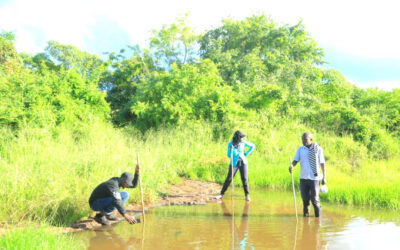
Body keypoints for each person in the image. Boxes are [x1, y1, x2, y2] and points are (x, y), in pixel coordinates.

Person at [289, 132, 326, 217]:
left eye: (305, 139)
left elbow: (322, 164)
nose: (303, 141)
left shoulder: (318, 149)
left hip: (314, 179)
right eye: (302, 139)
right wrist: (291, 165)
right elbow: (295, 160)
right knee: (305, 200)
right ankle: (306, 218)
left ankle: (318, 219)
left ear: (311, 139)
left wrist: (324, 177)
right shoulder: (300, 149)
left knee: (315, 200)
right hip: (303, 178)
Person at [216, 130, 255, 201]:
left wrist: (246, 154)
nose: (242, 139)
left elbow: (253, 146)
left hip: (243, 163)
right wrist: (231, 151)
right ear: (237, 138)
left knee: (245, 179)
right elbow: (228, 155)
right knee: (229, 179)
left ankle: (247, 195)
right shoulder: (230, 144)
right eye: (241, 137)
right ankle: (221, 194)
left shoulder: (243, 143)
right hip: (234, 164)